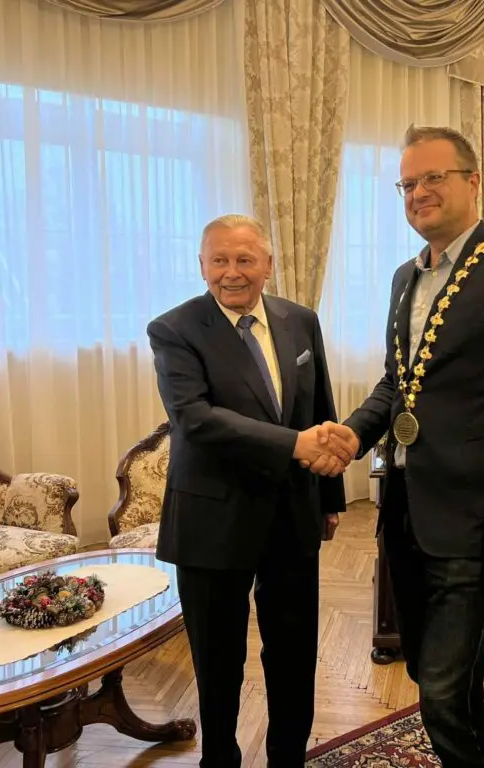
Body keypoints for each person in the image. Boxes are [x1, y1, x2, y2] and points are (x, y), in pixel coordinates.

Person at [326, 126, 484, 766]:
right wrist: (354, 432)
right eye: (408, 183)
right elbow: (397, 381)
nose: (419, 192)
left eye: (434, 177)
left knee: (440, 691)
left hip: (472, 519)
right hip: (405, 508)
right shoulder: (404, 276)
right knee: (439, 678)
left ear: (473, 182)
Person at [147, 214, 351, 768]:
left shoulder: (300, 320)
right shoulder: (173, 329)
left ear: (268, 264)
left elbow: (320, 408)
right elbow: (195, 419)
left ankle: (289, 756)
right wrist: (294, 445)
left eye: (244, 260)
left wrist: (330, 498)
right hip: (212, 520)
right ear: (202, 266)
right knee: (218, 660)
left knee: (293, 653)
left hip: (292, 513)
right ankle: (220, 758)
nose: (231, 273)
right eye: (219, 260)